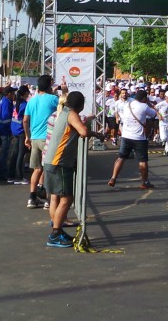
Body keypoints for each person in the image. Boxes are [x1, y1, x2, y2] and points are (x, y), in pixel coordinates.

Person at [43, 91, 103, 248]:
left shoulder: (62, 111)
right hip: (60, 162)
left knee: (57, 196)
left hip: (51, 160)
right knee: (67, 198)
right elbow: (83, 131)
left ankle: (57, 230)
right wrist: (95, 133)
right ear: (81, 105)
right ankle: (55, 234)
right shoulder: (72, 114)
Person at [22, 75, 60, 209]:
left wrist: (27, 136)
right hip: (48, 138)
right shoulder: (54, 99)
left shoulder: (31, 101)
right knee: (48, 169)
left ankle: (32, 198)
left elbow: (25, 120)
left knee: (37, 169)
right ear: (50, 85)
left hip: (34, 139)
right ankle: (48, 199)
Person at [108, 89, 157, 189]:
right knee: (143, 161)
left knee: (121, 158)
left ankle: (113, 178)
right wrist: (148, 103)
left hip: (126, 136)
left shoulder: (127, 105)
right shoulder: (144, 106)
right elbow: (154, 114)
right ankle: (145, 182)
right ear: (144, 98)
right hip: (139, 138)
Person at [9, 86, 30, 184]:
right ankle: (19, 176)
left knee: (15, 153)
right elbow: (25, 120)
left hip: (14, 130)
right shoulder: (25, 104)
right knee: (21, 154)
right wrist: (28, 134)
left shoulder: (16, 103)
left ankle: (11, 175)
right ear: (25, 93)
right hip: (21, 131)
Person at [0, 87, 15, 181]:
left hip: (2, 129)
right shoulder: (7, 102)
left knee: (4, 153)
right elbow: (6, 118)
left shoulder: (3, 100)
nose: (14, 95)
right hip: (5, 131)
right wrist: (10, 131)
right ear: (8, 94)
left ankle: (2, 172)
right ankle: (3, 173)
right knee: (5, 153)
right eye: (13, 93)